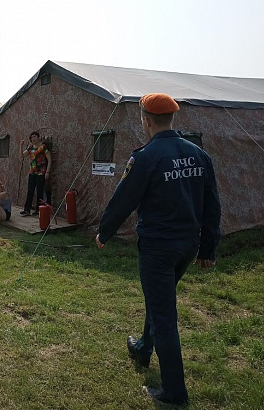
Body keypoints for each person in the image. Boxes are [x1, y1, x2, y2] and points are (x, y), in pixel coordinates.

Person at [95, 93, 221, 405]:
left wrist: (104, 232)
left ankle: (174, 392)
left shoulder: (146, 157)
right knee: (159, 299)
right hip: (187, 247)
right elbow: (212, 205)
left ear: (146, 121)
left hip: (158, 249)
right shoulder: (198, 155)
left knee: (164, 314)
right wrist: (208, 249)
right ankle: (142, 349)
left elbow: (124, 199)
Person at [19, 131, 51, 216]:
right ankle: (27, 209)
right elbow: (22, 155)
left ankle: (39, 209)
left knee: (40, 191)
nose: (33, 138)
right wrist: (21, 146)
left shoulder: (43, 147)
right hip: (32, 172)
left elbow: (50, 159)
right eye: (31, 137)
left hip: (41, 172)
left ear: (38, 137)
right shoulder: (30, 148)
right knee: (30, 191)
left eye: (34, 136)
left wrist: (47, 171)